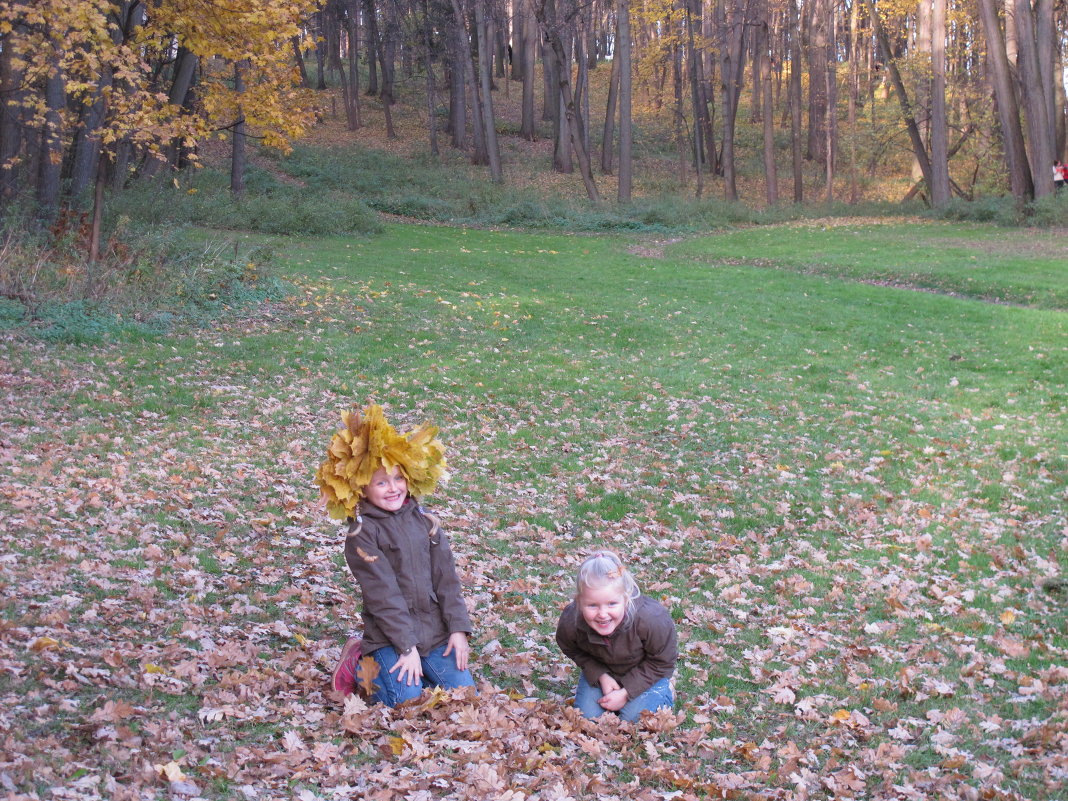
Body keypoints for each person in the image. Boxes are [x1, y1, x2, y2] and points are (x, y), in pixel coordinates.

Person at [316, 404, 475, 707]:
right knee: (406, 703)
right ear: (362, 488)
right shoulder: (363, 533)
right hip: (389, 637)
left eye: (398, 479)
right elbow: (383, 596)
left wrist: (457, 629)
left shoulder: (425, 521)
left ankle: (423, 670)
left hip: (435, 632)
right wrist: (406, 647)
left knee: (465, 698)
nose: (393, 489)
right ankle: (359, 660)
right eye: (381, 482)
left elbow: (447, 580)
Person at [556, 552, 677, 722]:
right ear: (579, 601)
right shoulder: (572, 619)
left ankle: (667, 690)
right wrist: (600, 675)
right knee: (587, 718)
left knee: (634, 719)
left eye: (612, 603)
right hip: (605, 669)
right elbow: (570, 648)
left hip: (644, 671)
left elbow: (662, 662)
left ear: (626, 599)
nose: (602, 614)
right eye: (592, 605)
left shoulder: (652, 619)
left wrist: (626, 692)